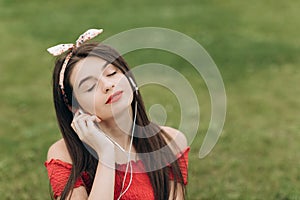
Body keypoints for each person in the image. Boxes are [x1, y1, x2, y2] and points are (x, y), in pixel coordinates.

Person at [45, 29, 190, 200]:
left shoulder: (170, 141)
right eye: (90, 86)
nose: (108, 85)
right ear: (74, 107)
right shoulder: (64, 154)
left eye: (112, 73)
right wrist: (106, 153)